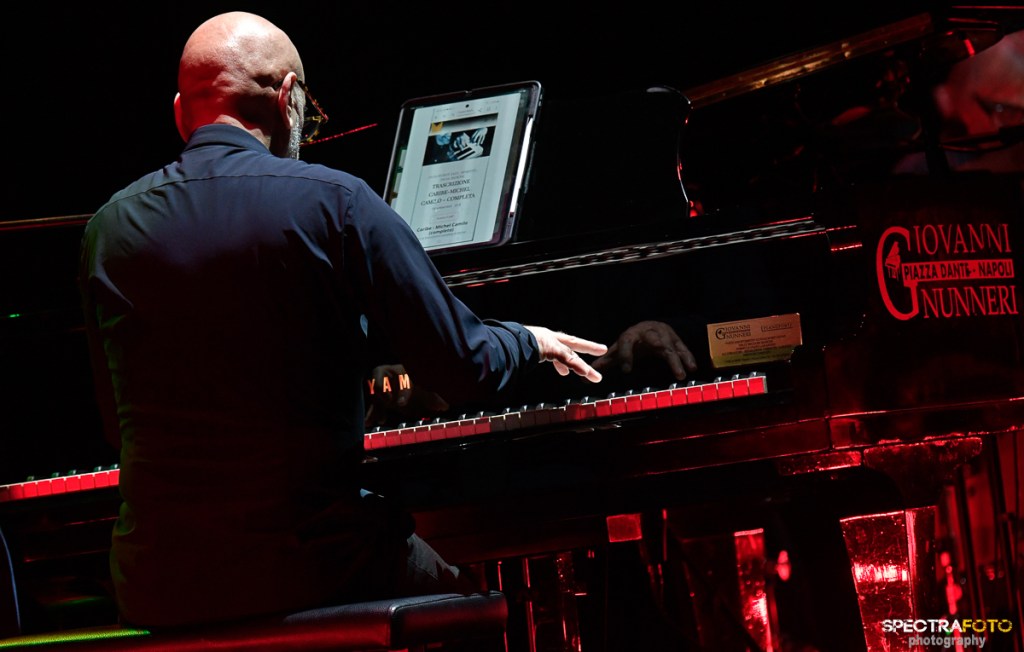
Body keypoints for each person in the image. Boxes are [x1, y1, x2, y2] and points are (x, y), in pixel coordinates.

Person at [78, 11, 607, 629]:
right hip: (309, 565)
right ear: (289, 98)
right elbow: (467, 368)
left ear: (181, 113)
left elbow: (117, 427)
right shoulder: (338, 202)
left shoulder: (107, 229)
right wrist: (528, 339)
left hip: (154, 583)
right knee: (480, 613)